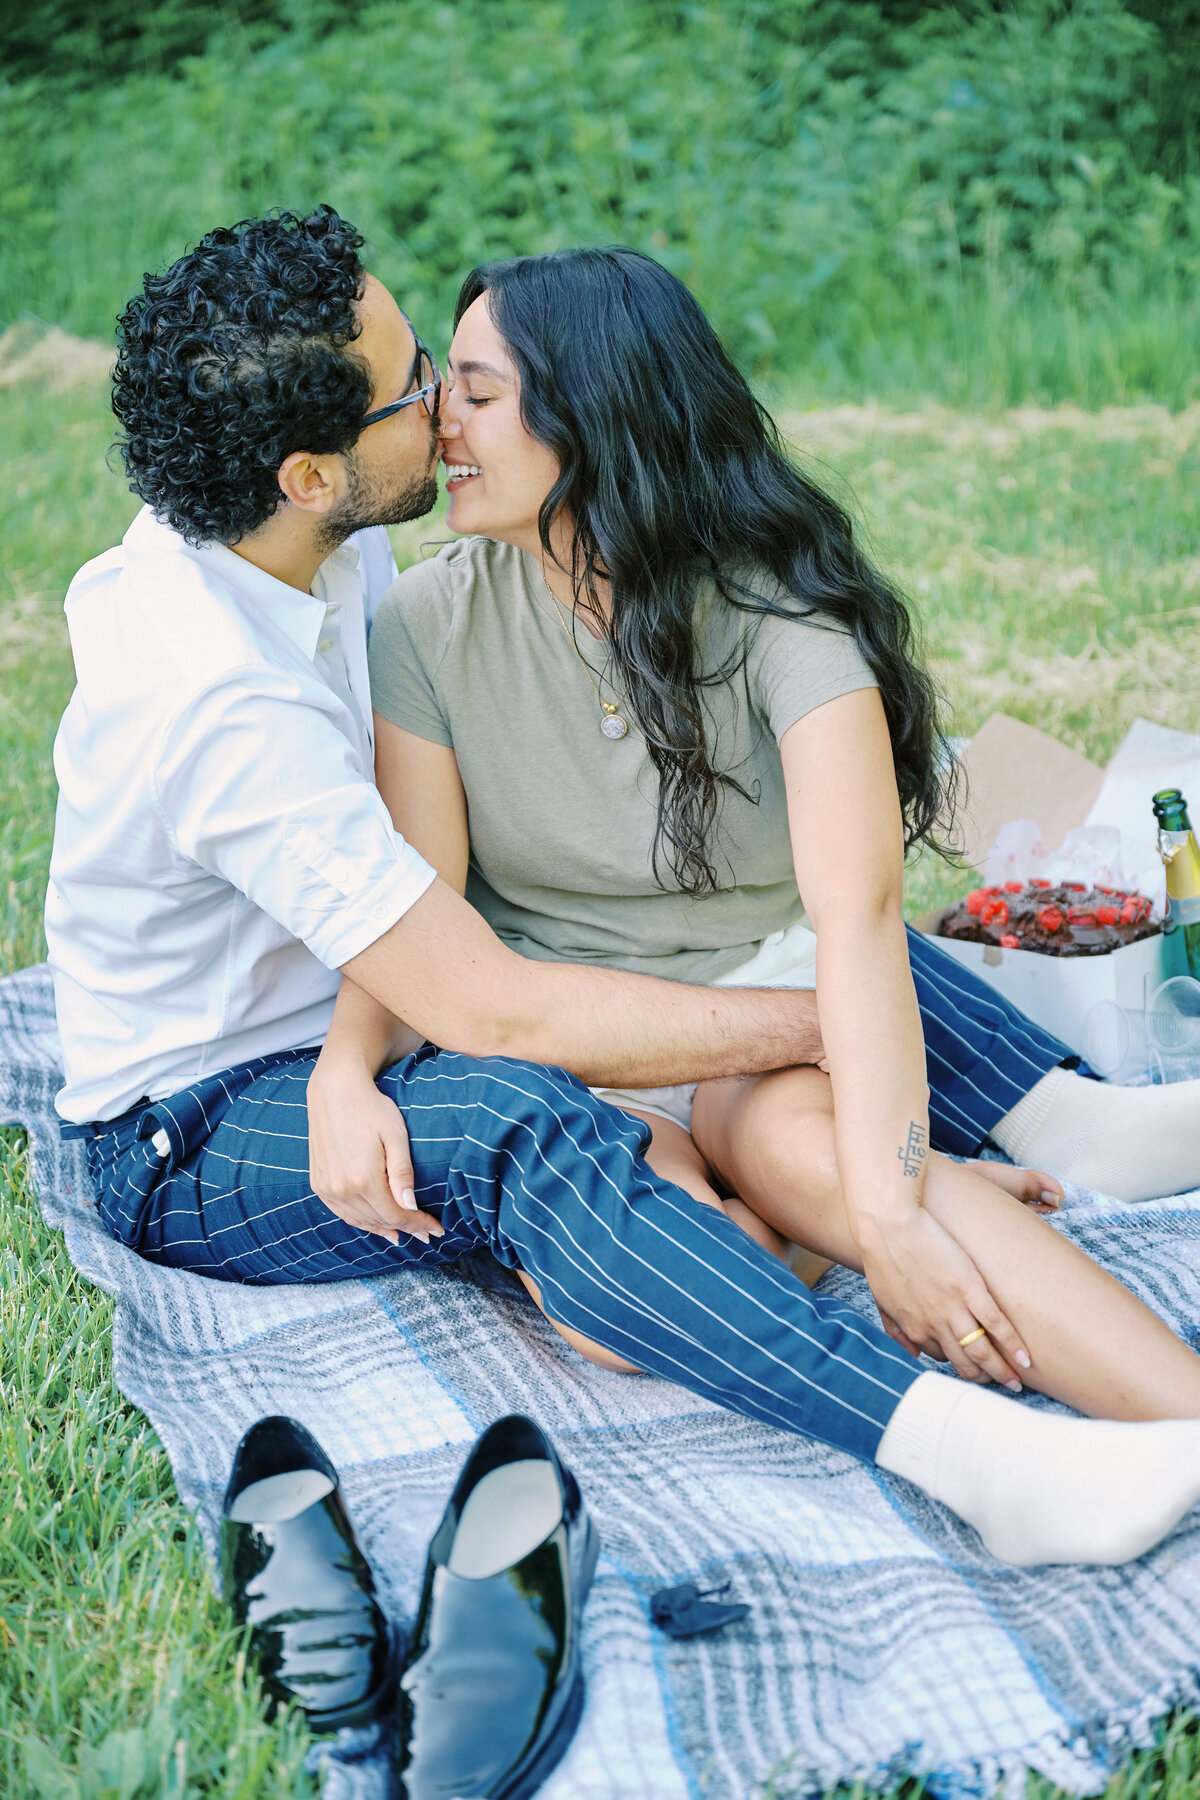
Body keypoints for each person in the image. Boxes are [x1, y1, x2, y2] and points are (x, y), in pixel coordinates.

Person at [44, 207, 1200, 1572]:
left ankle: (1033, 1194)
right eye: (419, 387)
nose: (437, 409)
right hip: (200, 1110)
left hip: (383, 1005)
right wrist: (816, 1020)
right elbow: (493, 1006)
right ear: (308, 473)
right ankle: (993, 1458)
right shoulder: (220, 699)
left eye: (451, 375)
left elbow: (430, 894)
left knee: (729, 1141)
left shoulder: (310, 525)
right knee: (537, 1125)